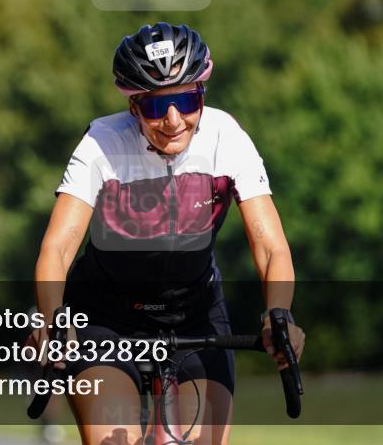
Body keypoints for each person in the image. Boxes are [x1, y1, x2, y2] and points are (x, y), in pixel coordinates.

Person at [29, 23, 305, 445]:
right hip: (105, 318)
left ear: (202, 94)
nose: (174, 120)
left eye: (185, 100)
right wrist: (51, 322)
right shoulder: (102, 143)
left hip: (195, 312)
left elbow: (270, 246)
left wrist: (278, 313)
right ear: (134, 106)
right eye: (158, 107)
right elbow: (58, 248)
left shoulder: (226, 138)